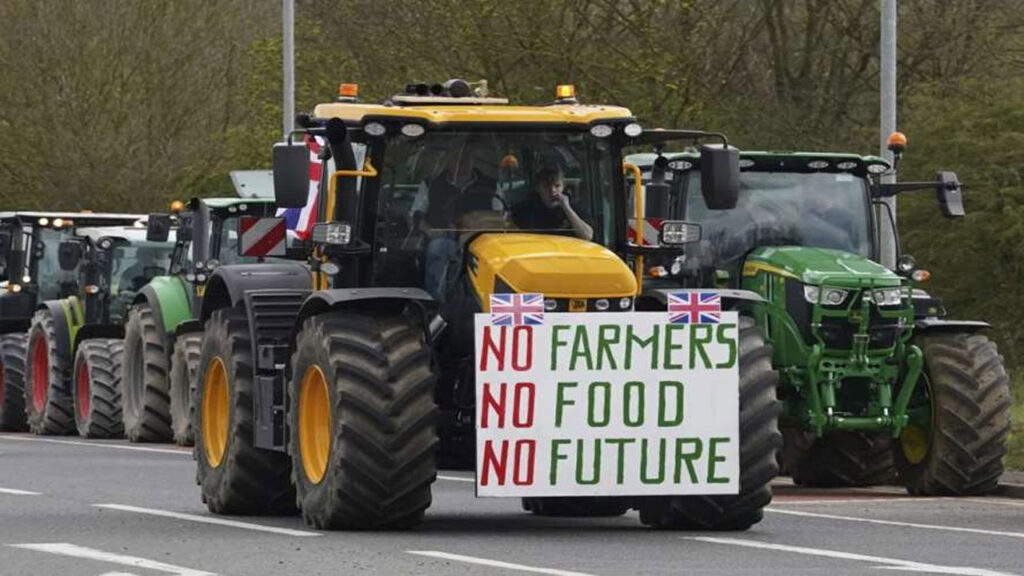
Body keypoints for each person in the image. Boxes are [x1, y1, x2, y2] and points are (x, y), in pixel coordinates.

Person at [511, 163, 593, 241]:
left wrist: (567, 209)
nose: (553, 191)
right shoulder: (526, 209)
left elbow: (587, 236)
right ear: (538, 188)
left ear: (563, 187)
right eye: (546, 186)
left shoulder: (574, 207)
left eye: (557, 186)